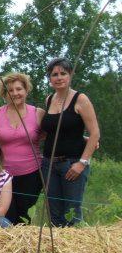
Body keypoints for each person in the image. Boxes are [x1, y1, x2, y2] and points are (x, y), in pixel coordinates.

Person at [40, 57, 100, 226]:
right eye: (54, 74)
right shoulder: (49, 99)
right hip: (49, 164)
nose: (59, 78)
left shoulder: (80, 99)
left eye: (63, 73)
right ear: (50, 79)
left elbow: (95, 133)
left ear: (70, 75)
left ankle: (75, 251)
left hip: (72, 163)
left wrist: (82, 163)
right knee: (54, 211)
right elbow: (54, 131)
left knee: (71, 212)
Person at [0, 72, 44, 224]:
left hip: (31, 174)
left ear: (26, 90)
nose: (15, 93)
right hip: (2, 175)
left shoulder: (38, 113)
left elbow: (51, 135)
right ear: (4, 94)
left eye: (19, 89)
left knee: (25, 217)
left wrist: (83, 139)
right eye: (10, 90)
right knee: (6, 216)